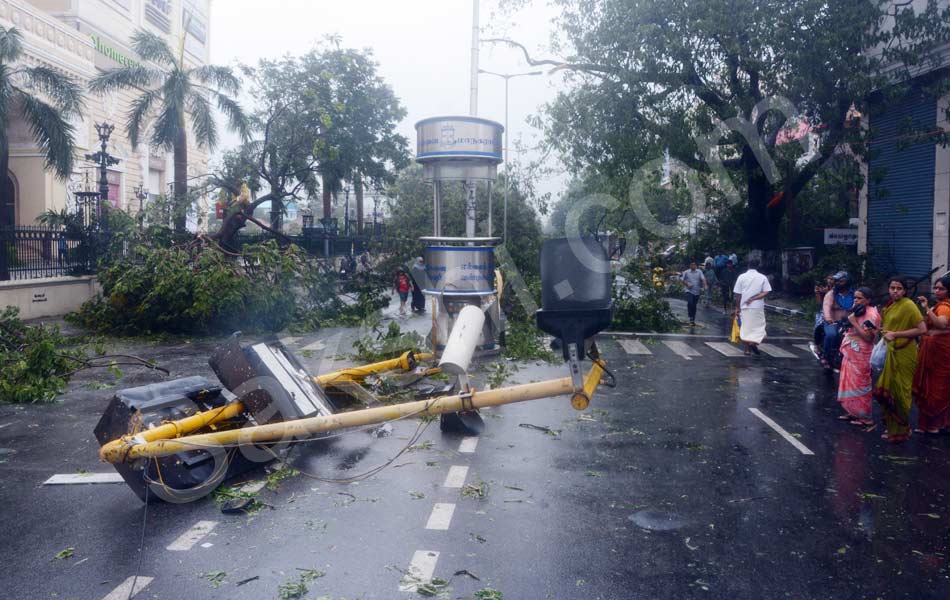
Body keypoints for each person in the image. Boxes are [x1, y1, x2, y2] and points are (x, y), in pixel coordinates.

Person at [872, 276, 927, 443]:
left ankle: (901, 430)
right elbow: (889, 327)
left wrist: (896, 334)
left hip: (905, 353)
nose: (895, 291)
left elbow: (922, 329)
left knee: (902, 392)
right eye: (892, 288)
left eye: (899, 288)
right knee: (889, 387)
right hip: (891, 351)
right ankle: (893, 427)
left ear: (905, 291)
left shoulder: (909, 305)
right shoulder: (889, 306)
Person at [836, 287, 881, 426]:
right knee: (849, 381)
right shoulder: (857, 311)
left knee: (861, 383)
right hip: (852, 350)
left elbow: (868, 337)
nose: (856, 300)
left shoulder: (872, 314)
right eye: (855, 297)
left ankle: (865, 417)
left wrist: (854, 322)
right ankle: (853, 411)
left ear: (868, 300)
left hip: (862, 352)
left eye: (860, 298)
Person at [912, 275, 950, 434]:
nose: (937, 291)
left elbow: (941, 323)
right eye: (935, 288)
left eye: (941, 288)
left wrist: (927, 308)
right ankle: (929, 424)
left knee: (937, 387)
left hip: (941, 351)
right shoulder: (939, 305)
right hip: (932, 350)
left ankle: (935, 424)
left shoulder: (945, 307)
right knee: (928, 385)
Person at [733, 259, 771, 355]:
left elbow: (738, 294)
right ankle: (753, 342)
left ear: (748, 265)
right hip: (758, 307)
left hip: (744, 306)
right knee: (758, 327)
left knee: (746, 328)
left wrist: (737, 307)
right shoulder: (762, 277)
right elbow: (766, 291)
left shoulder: (741, 277)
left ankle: (747, 349)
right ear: (758, 266)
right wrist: (754, 298)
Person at [820, 271, 856, 370]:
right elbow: (826, 306)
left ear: (848, 282)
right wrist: (828, 317)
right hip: (833, 322)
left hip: (849, 323)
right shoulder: (831, 294)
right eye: (837, 281)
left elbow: (859, 305)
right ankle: (825, 357)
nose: (838, 283)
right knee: (832, 335)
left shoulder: (854, 294)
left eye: (841, 281)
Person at [680, 260, 706, 325]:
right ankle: (690, 317)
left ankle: (693, 319)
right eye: (691, 264)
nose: (693, 266)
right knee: (690, 302)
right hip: (688, 290)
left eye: (694, 264)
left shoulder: (699, 272)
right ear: (690, 265)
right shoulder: (686, 272)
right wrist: (687, 284)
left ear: (696, 265)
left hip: (696, 291)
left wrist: (705, 285)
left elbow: (703, 279)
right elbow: (682, 279)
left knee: (694, 305)